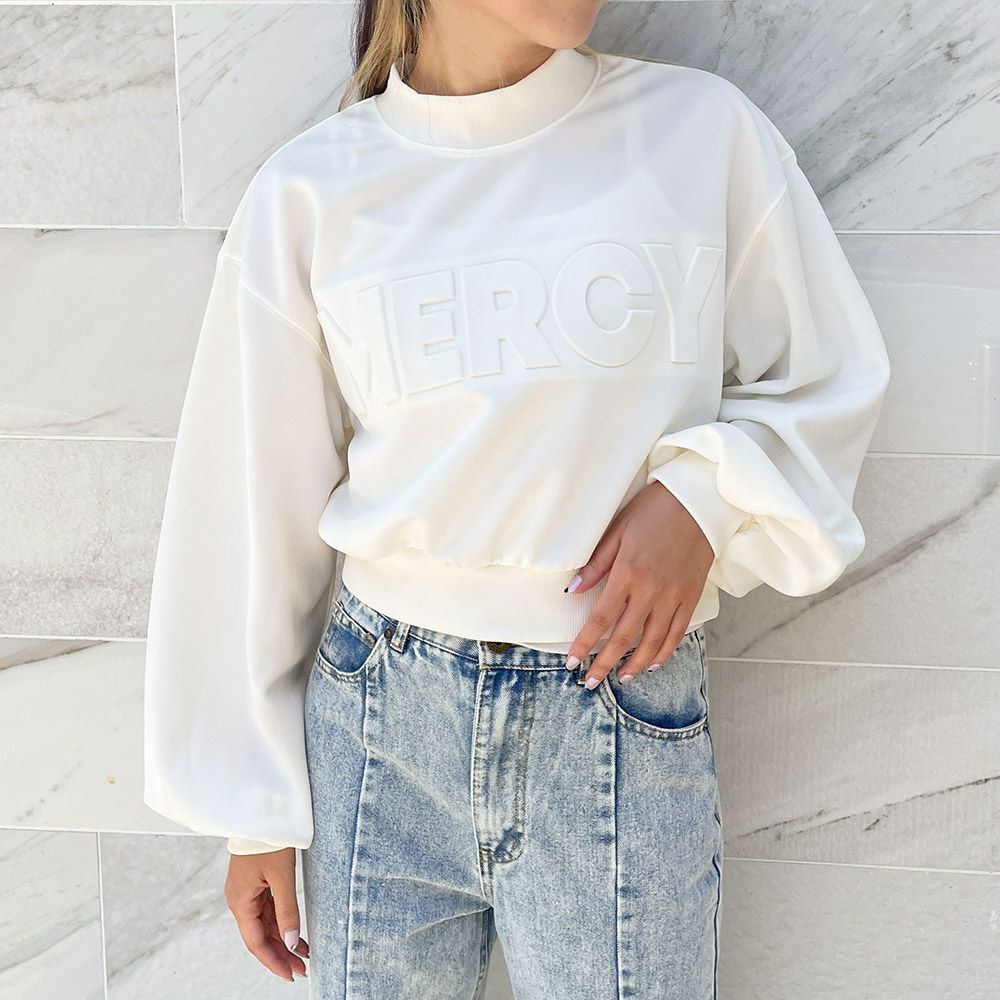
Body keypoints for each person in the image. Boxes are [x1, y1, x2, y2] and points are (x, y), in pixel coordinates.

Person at [141, 0, 891, 995]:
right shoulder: (313, 191)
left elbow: (829, 379)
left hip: (614, 710)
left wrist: (704, 498)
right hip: (377, 729)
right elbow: (246, 507)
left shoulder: (700, 134)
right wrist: (252, 813)